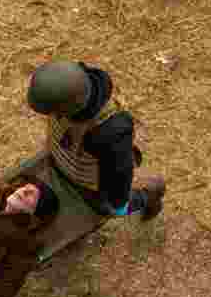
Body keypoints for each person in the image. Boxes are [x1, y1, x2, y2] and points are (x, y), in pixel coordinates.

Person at [26, 60, 166, 220]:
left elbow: (120, 171)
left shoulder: (108, 133)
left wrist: (119, 203)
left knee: (104, 208)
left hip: (89, 181)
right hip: (64, 159)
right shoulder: (75, 83)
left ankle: (148, 196)